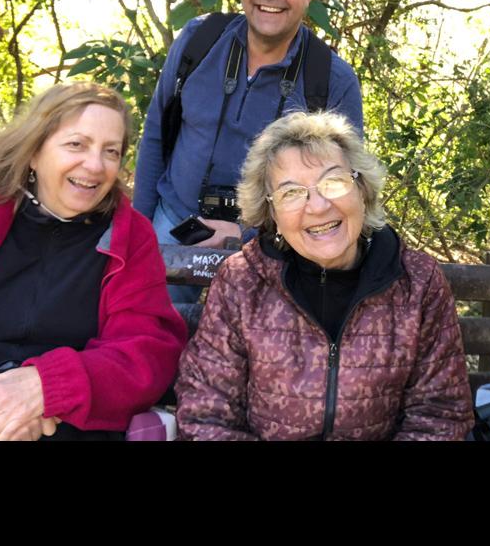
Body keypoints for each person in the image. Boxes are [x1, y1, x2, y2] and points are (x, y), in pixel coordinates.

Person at [176, 111, 474, 440]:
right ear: (272, 213)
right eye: (291, 192)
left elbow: (440, 416)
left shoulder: (417, 282)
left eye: (334, 182)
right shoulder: (241, 282)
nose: (317, 206)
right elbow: (205, 414)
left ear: (362, 189)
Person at [0, 82, 187, 441]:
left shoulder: (130, 235)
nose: (95, 165)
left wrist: (46, 388)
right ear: (34, 151)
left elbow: (147, 349)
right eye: (76, 144)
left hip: (74, 423)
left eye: (111, 151)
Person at [134, 0, 363, 302]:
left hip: (275, 244)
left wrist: (249, 235)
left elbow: (342, 189)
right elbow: (156, 134)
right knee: (153, 329)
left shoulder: (332, 79)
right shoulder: (198, 40)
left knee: (257, 340)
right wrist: (139, 229)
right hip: (174, 223)